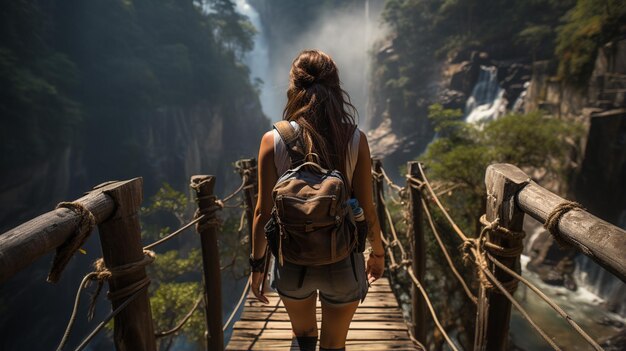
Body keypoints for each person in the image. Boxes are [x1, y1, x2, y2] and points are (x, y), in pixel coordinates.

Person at [249, 49, 385, 351]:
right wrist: (377, 252)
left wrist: (257, 265)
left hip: (292, 261)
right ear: (335, 87)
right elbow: (367, 208)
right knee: (334, 344)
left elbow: (262, 212)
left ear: (293, 88)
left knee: (303, 337)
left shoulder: (273, 139)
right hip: (343, 259)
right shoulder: (354, 138)